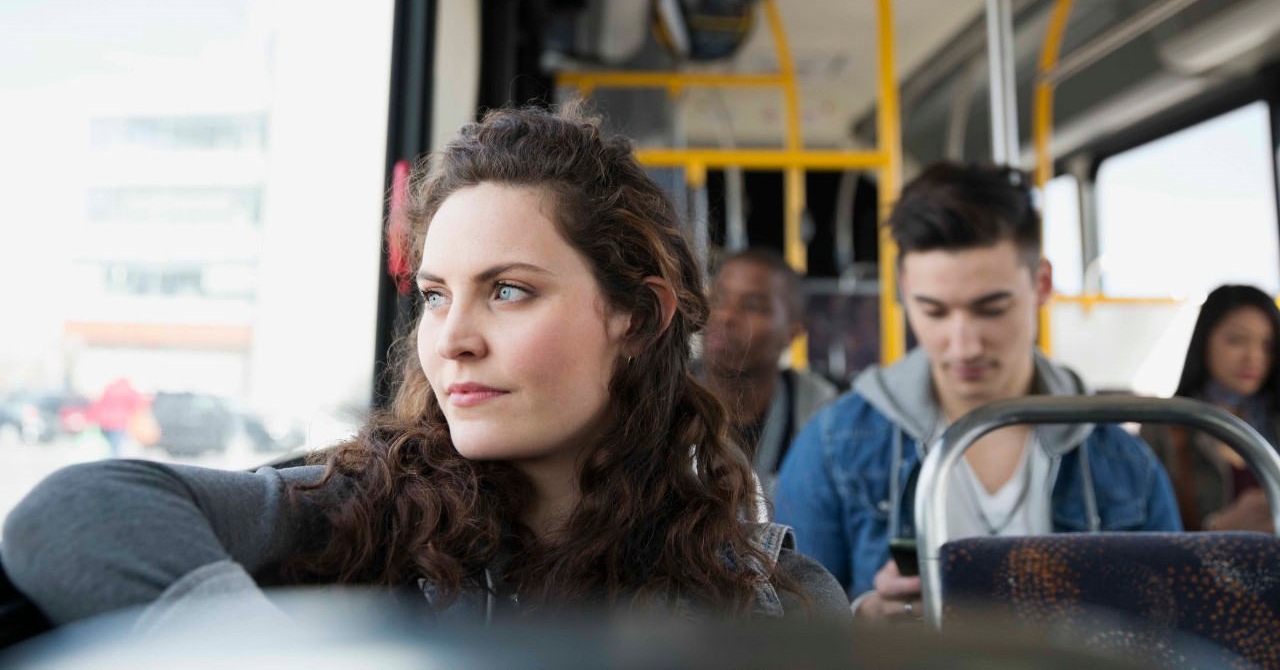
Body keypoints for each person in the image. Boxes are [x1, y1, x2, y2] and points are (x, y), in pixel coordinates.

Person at [1, 104, 850, 634]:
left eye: (509, 291)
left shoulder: (779, 599)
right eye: (438, 296)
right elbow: (77, 513)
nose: (451, 340)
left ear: (637, 317)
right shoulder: (363, 511)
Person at [774, 162, 1181, 622]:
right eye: (934, 311)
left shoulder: (1124, 466)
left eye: (991, 309)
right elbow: (789, 633)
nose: (963, 344)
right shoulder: (835, 446)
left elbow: (1175, 636)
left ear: (1041, 284)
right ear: (906, 290)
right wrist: (863, 621)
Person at [1141, 284, 1280, 532]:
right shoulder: (1165, 426)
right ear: (1205, 340)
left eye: (1267, 346)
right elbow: (1145, 540)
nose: (1253, 356)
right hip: (1201, 569)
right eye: (1236, 341)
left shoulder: (1273, 420)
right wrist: (1216, 531)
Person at [702, 249, 838, 500]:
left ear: (792, 331)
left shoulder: (821, 417)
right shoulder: (660, 397)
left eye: (752, 306)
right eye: (719, 298)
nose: (726, 316)